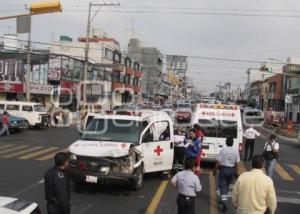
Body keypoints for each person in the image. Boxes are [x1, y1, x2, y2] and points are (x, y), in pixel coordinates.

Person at [214, 136, 240, 212]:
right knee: (227, 185)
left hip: (223, 169)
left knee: (222, 186)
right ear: (232, 143)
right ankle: (224, 198)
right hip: (232, 170)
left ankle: (224, 202)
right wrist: (236, 172)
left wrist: (215, 170)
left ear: (226, 142)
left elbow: (218, 162)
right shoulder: (235, 151)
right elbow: (237, 163)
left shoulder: (223, 150)